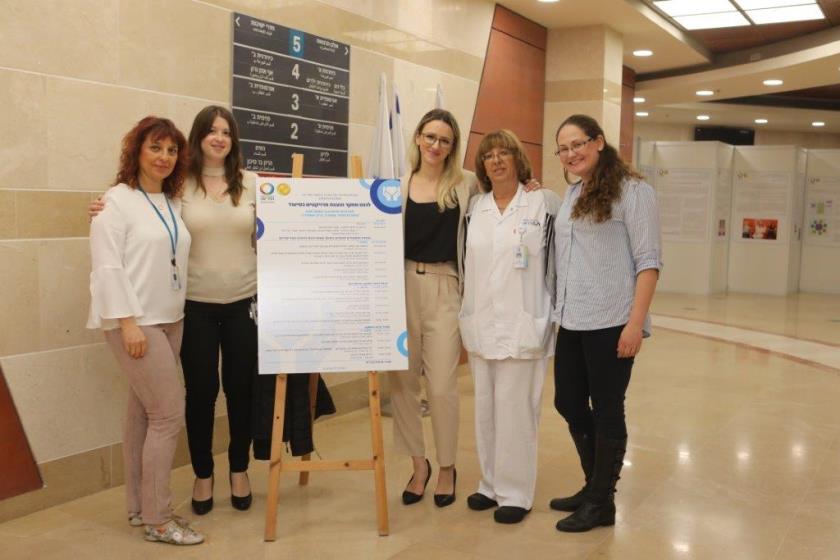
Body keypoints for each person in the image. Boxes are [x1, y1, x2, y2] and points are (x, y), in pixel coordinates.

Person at [91, 106, 258, 514]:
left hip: (244, 302)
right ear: (198, 138)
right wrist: (101, 208)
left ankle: (239, 468)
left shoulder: (253, 183)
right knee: (200, 393)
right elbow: (137, 210)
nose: (219, 138)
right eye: (211, 130)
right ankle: (203, 474)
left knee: (242, 390)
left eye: (227, 132)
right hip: (193, 306)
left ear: (234, 140)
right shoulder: (178, 185)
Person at [88, 116, 203, 545]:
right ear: (136, 151)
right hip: (136, 323)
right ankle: (159, 519)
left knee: (142, 414)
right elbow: (107, 266)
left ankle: (139, 507)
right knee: (168, 415)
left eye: (172, 150)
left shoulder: (172, 202)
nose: (164, 157)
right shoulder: (115, 202)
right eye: (155, 147)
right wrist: (127, 323)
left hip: (171, 319)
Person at [550, 114, 661, 533]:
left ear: (598, 142)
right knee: (567, 401)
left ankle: (601, 501)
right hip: (571, 318)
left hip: (612, 320)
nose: (570, 153)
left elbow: (649, 261)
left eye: (577, 144)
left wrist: (635, 324)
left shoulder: (634, 191)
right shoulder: (573, 191)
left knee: (608, 408)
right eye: (563, 148)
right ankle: (594, 487)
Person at [459, 130, 560, 524]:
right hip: (482, 323)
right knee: (485, 409)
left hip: (524, 323)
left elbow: (558, 260)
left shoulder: (542, 202)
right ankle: (490, 484)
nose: (497, 160)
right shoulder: (475, 208)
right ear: (482, 166)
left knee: (517, 411)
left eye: (505, 153)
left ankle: (516, 492)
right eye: (489, 155)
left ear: (519, 159)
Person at [390, 109, 475, 507]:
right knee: (403, 384)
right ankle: (418, 463)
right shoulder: (398, 185)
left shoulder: (467, 183)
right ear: (418, 138)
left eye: (444, 140)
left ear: (452, 146)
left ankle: (446, 467)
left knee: (441, 386)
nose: (435, 145)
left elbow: (506, 194)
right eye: (430, 137)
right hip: (402, 286)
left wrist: (530, 186)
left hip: (446, 287)